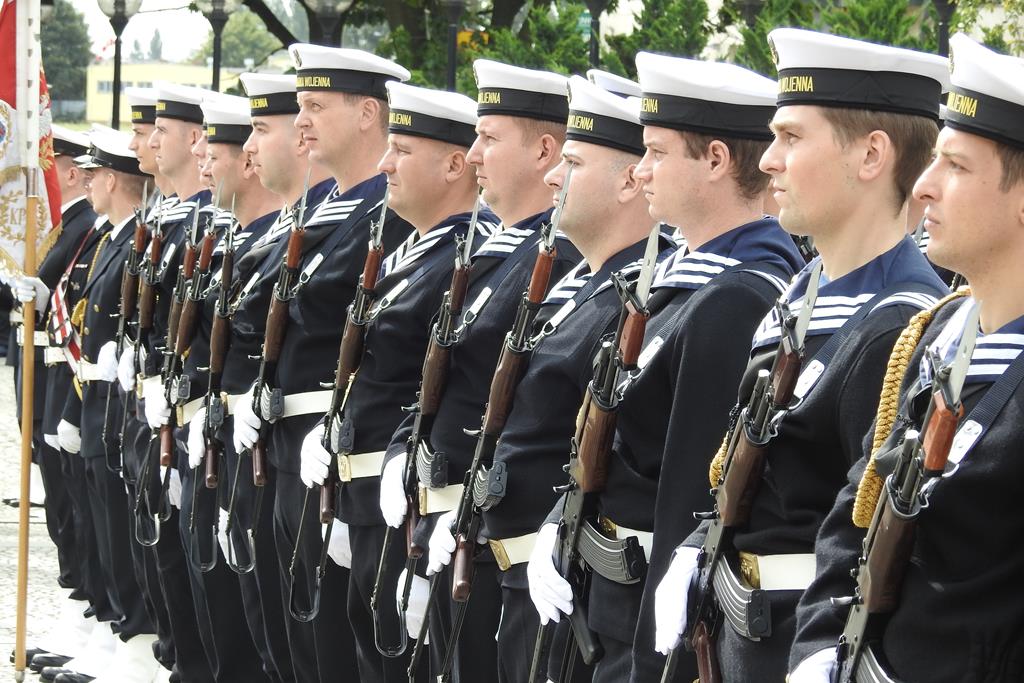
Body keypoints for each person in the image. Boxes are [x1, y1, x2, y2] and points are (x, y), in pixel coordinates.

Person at [654, 28, 952, 682]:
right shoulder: (803, 297)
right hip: (742, 640)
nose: (768, 161)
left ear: (871, 155)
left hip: (797, 645)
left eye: (791, 138)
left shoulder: (898, 326)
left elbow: (870, 537)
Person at [527, 54, 805, 683]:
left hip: (643, 625)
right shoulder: (677, 282)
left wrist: (659, 664)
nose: (642, 169)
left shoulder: (736, 297)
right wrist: (558, 519)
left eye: (656, 152)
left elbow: (688, 496)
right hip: (605, 606)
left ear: (715, 160)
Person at [788, 34, 1024, 683]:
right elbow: (857, 509)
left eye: (957, 166)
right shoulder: (937, 335)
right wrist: (817, 645)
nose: (923, 186)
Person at [381, 60, 582, 681]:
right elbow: (441, 381)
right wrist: (401, 451)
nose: (473, 155)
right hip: (445, 526)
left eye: (489, 138)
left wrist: (459, 514)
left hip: (490, 541)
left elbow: (522, 412)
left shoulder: (555, 260)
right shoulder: (501, 251)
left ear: (544, 150)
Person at [230, 44, 413, 683]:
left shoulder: (386, 215)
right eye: (299, 106)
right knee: (295, 638)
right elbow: (254, 308)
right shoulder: (325, 209)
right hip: (288, 442)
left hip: (334, 450)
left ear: (367, 114)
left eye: (315, 106)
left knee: (329, 642)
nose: (301, 120)